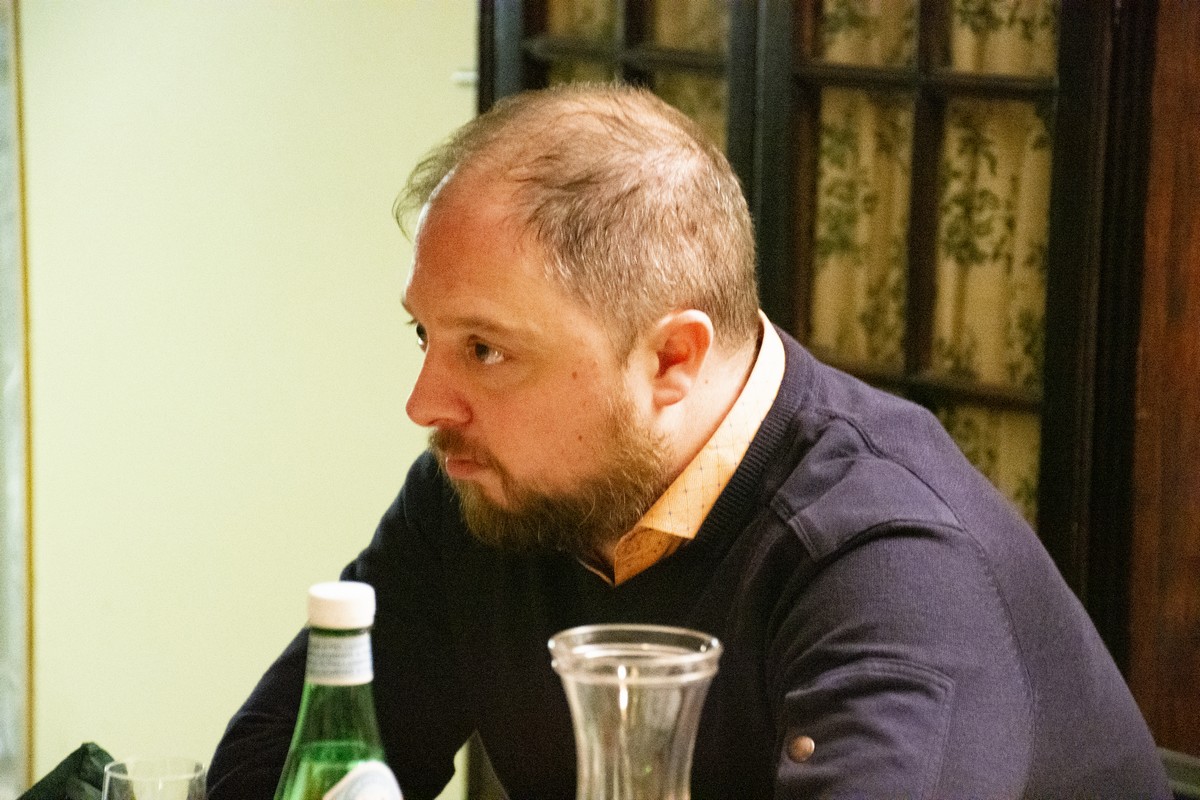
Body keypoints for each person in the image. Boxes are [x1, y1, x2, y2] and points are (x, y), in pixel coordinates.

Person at [207, 83, 1170, 799]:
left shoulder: (889, 566)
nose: (426, 403)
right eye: (426, 335)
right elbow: (274, 769)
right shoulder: (491, 491)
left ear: (672, 359)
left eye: (486, 349)